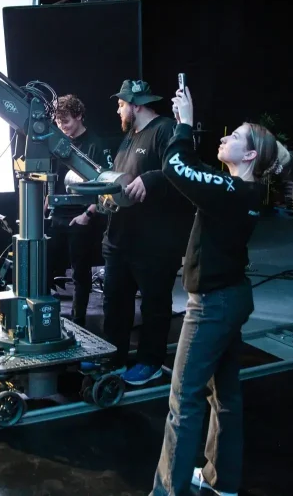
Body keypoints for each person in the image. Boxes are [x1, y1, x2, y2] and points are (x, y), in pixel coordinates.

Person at [151, 86, 292, 496]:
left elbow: (177, 167)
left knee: (184, 401)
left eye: (236, 137)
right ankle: (222, 481)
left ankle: (167, 491)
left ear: (250, 156)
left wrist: (185, 123)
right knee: (224, 394)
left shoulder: (232, 191)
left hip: (212, 306)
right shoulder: (241, 191)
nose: (226, 137)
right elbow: (194, 170)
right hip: (231, 299)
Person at [97, 79, 190, 386]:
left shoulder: (165, 130)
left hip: (155, 242)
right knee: (115, 302)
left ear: (136, 105)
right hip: (120, 238)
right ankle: (114, 358)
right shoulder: (129, 137)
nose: (118, 110)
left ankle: (150, 362)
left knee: (154, 304)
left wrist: (150, 179)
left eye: (121, 104)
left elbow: (180, 170)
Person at [46, 94, 105, 326]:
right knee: (48, 266)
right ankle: (48, 319)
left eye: (66, 122)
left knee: (80, 273)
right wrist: (47, 198)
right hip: (58, 215)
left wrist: (87, 214)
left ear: (79, 116)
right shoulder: (59, 142)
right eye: (58, 123)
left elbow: (105, 187)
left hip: (81, 217)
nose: (62, 127)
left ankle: (79, 322)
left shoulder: (95, 144)